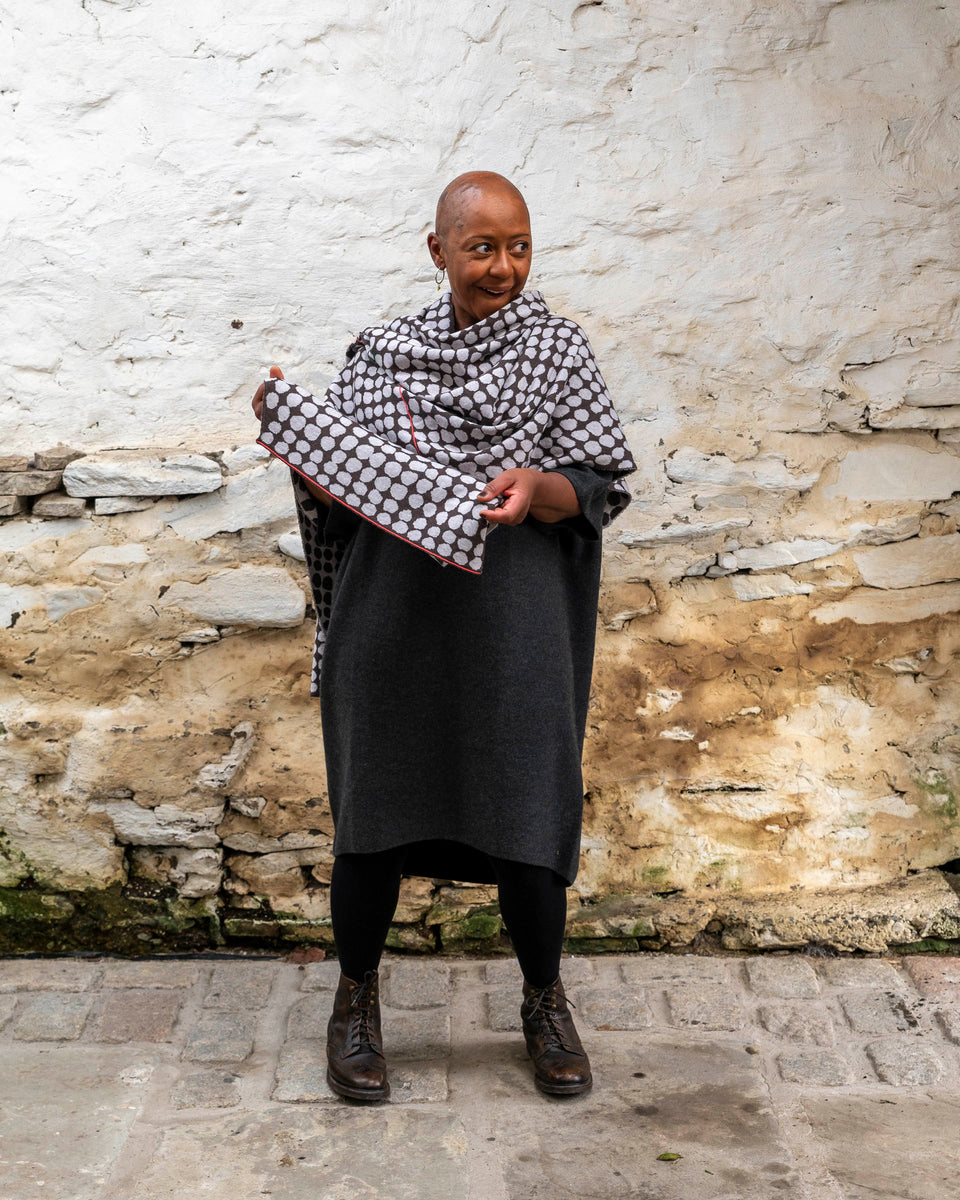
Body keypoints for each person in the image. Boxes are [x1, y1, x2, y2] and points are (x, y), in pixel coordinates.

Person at [251, 171, 636, 1102]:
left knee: (527, 815)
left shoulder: (558, 353)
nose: (502, 266)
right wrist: (305, 438)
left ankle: (544, 1000)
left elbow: (600, 486)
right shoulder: (381, 356)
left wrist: (535, 487)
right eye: (480, 247)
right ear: (439, 253)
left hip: (516, 625)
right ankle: (355, 1002)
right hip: (392, 624)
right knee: (374, 821)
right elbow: (338, 489)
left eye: (519, 246)